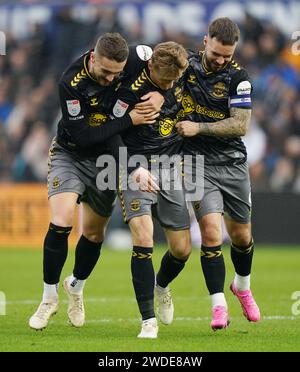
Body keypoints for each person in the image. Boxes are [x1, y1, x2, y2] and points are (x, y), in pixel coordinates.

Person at [29, 33, 161, 330]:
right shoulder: (71, 82)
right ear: (93, 58)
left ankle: (75, 287)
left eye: (118, 73)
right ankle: (49, 297)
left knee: (93, 234)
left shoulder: (139, 55)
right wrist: (130, 120)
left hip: (107, 160)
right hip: (71, 153)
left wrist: (164, 91)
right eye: (106, 72)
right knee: (62, 221)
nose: (111, 79)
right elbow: (84, 136)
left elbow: (178, 59)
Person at [176, 18, 261, 330]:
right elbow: (153, 64)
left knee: (242, 236)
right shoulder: (184, 65)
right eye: (216, 54)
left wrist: (197, 127)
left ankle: (242, 286)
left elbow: (240, 125)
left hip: (232, 163)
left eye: (228, 55)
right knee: (211, 234)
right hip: (196, 163)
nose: (222, 60)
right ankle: (218, 305)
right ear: (205, 41)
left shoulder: (239, 77)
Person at [109, 41, 191, 338]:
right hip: (135, 167)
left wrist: (165, 90)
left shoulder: (180, 73)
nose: (170, 85)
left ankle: (162, 286)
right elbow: (111, 132)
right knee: (143, 238)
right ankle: (148, 321)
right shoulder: (128, 89)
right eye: (164, 79)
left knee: (182, 250)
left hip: (170, 168)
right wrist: (132, 169)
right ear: (150, 66)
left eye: (174, 81)